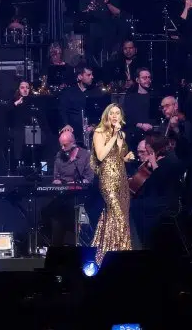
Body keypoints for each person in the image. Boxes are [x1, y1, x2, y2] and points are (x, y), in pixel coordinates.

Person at [89, 104, 134, 262]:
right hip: (108, 180)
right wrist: (114, 135)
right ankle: (122, 256)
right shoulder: (99, 132)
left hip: (121, 179)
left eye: (117, 113)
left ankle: (108, 254)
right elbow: (101, 156)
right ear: (107, 116)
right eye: (112, 113)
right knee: (118, 216)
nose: (115, 116)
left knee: (117, 218)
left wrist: (126, 157)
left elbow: (118, 157)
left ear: (121, 117)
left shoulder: (122, 134)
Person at [44, 125, 94, 251]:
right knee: (49, 212)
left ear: (73, 143)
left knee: (70, 212)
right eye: (61, 145)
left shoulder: (85, 155)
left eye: (65, 145)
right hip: (63, 195)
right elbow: (56, 177)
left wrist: (76, 183)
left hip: (80, 196)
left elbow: (89, 178)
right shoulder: (59, 155)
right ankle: (56, 248)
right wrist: (57, 181)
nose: (62, 148)